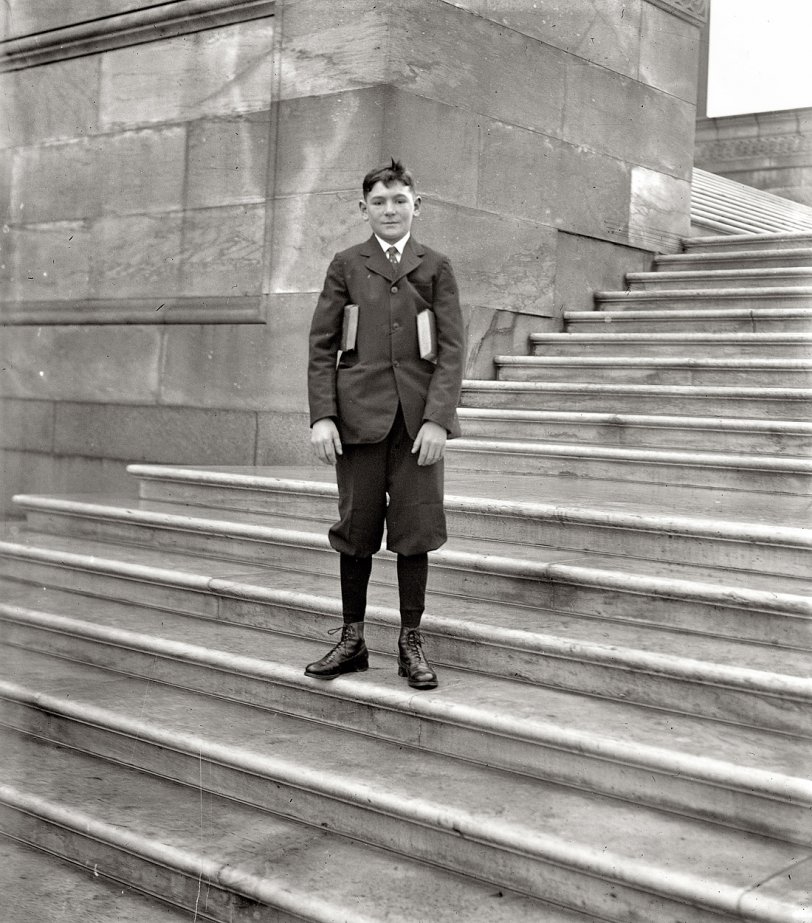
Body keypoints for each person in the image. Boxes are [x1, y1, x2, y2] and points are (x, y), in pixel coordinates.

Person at [306, 159, 465, 690]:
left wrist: (439, 420)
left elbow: (451, 351)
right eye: (379, 201)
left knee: (415, 531)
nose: (390, 210)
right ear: (363, 208)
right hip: (358, 422)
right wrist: (324, 416)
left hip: (418, 426)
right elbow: (322, 346)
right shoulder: (346, 265)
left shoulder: (435, 266)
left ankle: (409, 643)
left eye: (400, 200)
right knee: (355, 530)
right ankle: (352, 639)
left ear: (417, 204)